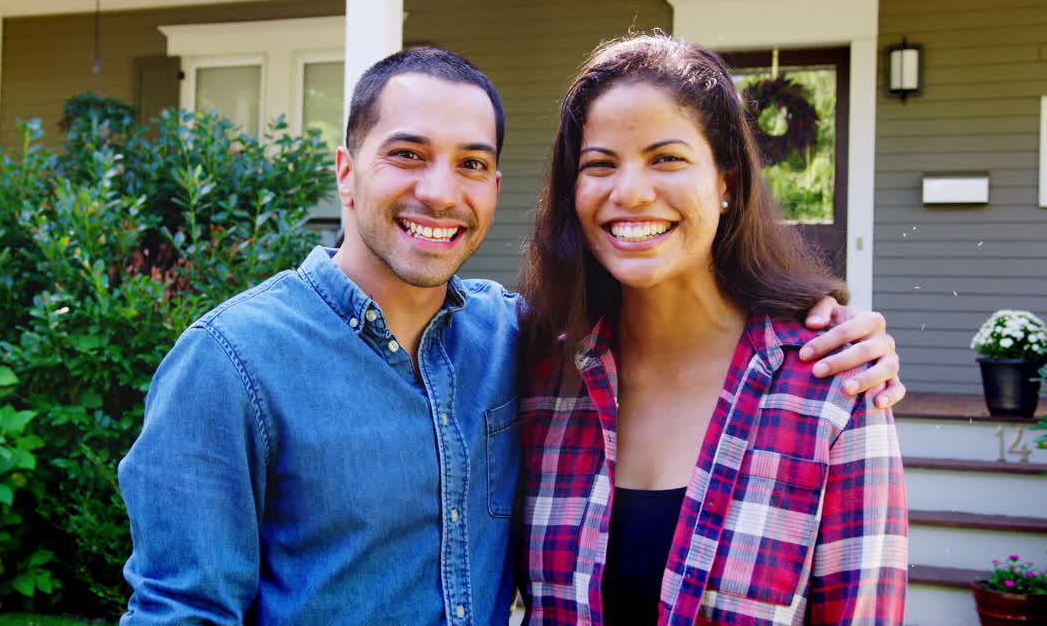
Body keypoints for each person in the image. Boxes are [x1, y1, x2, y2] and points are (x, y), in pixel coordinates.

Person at [116, 46, 903, 626]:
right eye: (407, 155)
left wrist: (846, 332)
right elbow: (180, 611)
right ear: (346, 172)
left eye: (472, 162)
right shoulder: (233, 363)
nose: (439, 190)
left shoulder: (518, 344)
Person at [516, 34, 908, 626]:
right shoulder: (541, 380)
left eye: (666, 158)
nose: (630, 193)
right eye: (599, 165)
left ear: (725, 181)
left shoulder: (832, 384)